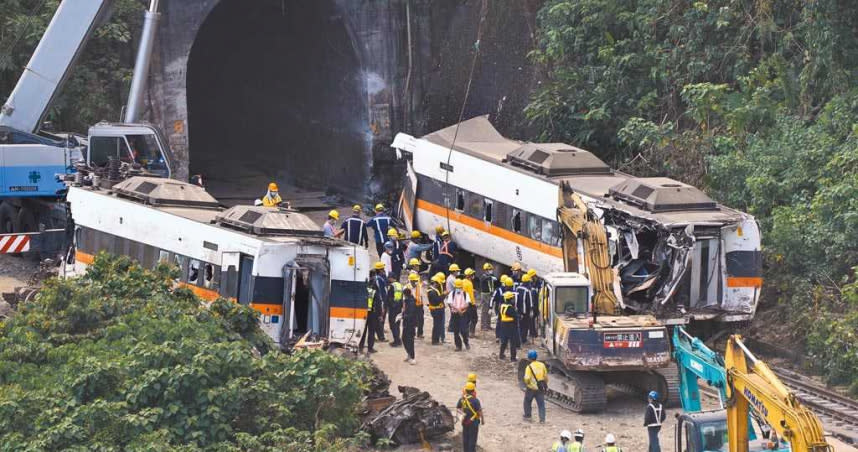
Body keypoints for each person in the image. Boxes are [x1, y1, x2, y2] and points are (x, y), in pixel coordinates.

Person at [359, 274, 383, 354]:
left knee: (363, 331)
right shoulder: (375, 292)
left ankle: (360, 347)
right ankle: (370, 348)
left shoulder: (364, 290)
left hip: (363, 312)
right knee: (371, 331)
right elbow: (379, 304)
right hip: (373, 313)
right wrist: (380, 315)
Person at [456, 382, 483, 452]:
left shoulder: (462, 399)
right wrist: (482, 420)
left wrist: (462, 416)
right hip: (473, 423)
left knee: (465, 438)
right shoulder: (475, 401)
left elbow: (458, 408)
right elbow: (479, 412)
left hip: (464, 422)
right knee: (472, 440)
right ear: (473, 391)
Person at [522, 349, 548, 423]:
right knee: (541, 404)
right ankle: (542, 419)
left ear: (529, 358)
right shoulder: (542, 365)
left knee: (527, 402)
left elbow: (527, 378)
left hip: (531, 388)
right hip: (540, 388)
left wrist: (527, 383)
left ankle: (528, 416)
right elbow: (545, 376)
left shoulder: (529, 367)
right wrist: (545, 384)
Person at [447, 278, 471, 351]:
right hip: (455, 314)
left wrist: (462, 309)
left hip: (463, 314)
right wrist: (458, 309)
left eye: (459, 287)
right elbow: (450, 303)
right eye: (457, 287)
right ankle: (458, 346)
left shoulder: (465, 294)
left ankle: (466, 342)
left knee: (463, 330)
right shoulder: (452, 294)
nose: (458, 288)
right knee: (456, 331)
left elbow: (467, 303)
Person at [401, 283, 419, 364]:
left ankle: (412, 357)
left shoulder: (411, 302)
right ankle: (409, 354)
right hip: (406, 323)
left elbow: (410, 314)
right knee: (404, 339)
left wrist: (403, 317)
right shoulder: (407, 301)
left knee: (409, 340)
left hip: (410, 324)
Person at [498, 291, 519, 361]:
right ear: (510, 299)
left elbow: (500, 316)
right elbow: (515, 317)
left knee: (504, 341)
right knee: (513, 342)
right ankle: (513, 358)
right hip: (510, 325)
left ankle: (501, 355)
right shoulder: (510, 308)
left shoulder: (502, 306)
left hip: (503, 324)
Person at [428, 272, 447, 345]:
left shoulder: (434, 290)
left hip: (438, 309)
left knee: (438, 325)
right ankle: (435, 340)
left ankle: (436, 339)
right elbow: (436, 301)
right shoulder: (432, 292)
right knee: (436, 325)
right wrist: (444, 295)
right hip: (436, 310)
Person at [478, 263, 498, 331]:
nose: (491, 270)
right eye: (489, 269)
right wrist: (491, 277)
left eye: (491, 269)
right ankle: (483, 326)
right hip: (485, 295)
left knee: (489, 310)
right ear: (486, 270)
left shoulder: (491, 276)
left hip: (490, 294)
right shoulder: (483, 276)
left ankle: (488, 325)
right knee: (484, 311)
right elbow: (486, 279)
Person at [386, 274, 404, 347]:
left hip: (393, 308)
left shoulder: (391, 286)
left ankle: (396, 341)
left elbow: (389, 297)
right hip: (399, 307)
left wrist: (387, 306)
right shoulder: (400, 285)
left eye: (389, 278)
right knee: (397, 324)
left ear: (391, 278)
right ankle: (398, 340)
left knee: (393, 325)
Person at [516, 274, 534, 344]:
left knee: (519, 325)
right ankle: (523, 340)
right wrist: (531, 310)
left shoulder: (518, 288)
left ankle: (519, 338)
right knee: (525, 326)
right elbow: (530, 302)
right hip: (525, 311)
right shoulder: (527, 291)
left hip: (518, 310)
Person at [408, 270, 426, 337]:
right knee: (412, 320)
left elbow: (421, 295)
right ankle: (412, 333)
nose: (415, 282)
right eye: (414, 281)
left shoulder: (419, 286)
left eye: (416, 281)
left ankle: (420, 333)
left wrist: (423, 304)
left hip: (419, 305)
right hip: (411, 306)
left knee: (421, 320)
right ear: (410, 281)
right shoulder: (407, 287)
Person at [462, 268, 478, 336]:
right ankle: (471, 332)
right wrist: (473, 303)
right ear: (469, 275)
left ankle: (465, 331)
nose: (473, 276)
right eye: (472, 274)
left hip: (464, 302)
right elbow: (470, 295)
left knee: (466, 318)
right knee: (474, 318)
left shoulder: (463, 281)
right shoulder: (469, 283)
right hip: (470, 303)